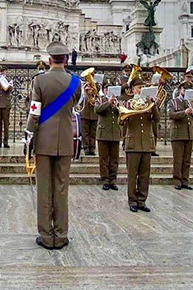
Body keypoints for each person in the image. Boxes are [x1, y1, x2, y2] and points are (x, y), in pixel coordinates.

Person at [26, 42, 82, 250]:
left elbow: (35, 111)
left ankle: (46, 236)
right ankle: (61, 234)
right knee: (61, 188)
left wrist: (29, 133)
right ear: (66, 60)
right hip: (66, 140)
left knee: (44, 189)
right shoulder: (76, 82)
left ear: (49, 60)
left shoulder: (39, 81)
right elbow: (76, 106)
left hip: (43, 141)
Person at [120, 74, 160, 212]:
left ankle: (142, 201)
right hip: (133, 144)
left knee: (144, 175)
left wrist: (153, 105)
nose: (140, 89)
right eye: (138, 87)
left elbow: (157, 119)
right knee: (132, 175)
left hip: (146, 144)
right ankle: (132, 201)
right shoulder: (127, 104)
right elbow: (121, 120)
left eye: (142, 87)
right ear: (132, 90)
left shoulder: (149, 103)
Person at [167, 81, 193, 191]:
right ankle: (177, 180)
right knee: (178, 159)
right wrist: (184, 112)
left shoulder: (191, 102)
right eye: (184, 90)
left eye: (188, 91)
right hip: (178, 134)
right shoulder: (174, 102)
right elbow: (171, 115)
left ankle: (185, 180)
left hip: (189, 134)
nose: (185, 92)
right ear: (180, 90)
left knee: (187, 160)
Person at [94, 89, 121, 191]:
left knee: (114, 159)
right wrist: (108, 103)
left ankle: (113, 180)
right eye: (107, 89)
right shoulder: (100, 100)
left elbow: (122, 113)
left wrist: (117, 105)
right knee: (104, 159)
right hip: (103, 134)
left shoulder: (119, 101)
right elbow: (97, 110)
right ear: (105, 91)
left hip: (115, 133)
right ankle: (105, 180)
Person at [0, 65, 13, 148]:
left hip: (6, 104)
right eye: (1, 71)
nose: (2, 72)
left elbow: (9, 89)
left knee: (6, 124)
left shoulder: (9, 80)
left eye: (3, 71)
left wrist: (3, 82)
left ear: (6, 72)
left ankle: (6, 141)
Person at [80, 84, 98, 156]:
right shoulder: (83, 92)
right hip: (85, 114)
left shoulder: (95, 87)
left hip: (94, 115)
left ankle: (92, 148)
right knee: (85, 132)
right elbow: (80, 101)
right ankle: (86, 148)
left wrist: (94, 89)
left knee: (93, 133)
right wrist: (84, 90)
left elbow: (98, 97)